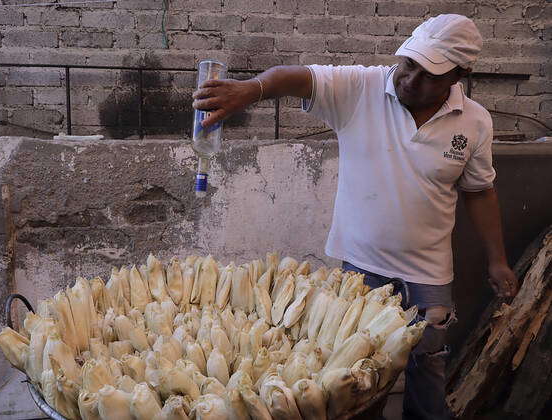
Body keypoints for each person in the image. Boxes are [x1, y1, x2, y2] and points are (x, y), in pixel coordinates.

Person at [192, 14, 518, 420]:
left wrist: (497, 259)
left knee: (428, 369)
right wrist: (251, 90)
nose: (410, 80)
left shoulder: (475, 122)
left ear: (460, 74)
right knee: (355, 378)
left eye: (429, 75)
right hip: (361, 270)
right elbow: (296, 77)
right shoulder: (362, 87)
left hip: (429, 274)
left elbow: (480, 191)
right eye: (409, 64)